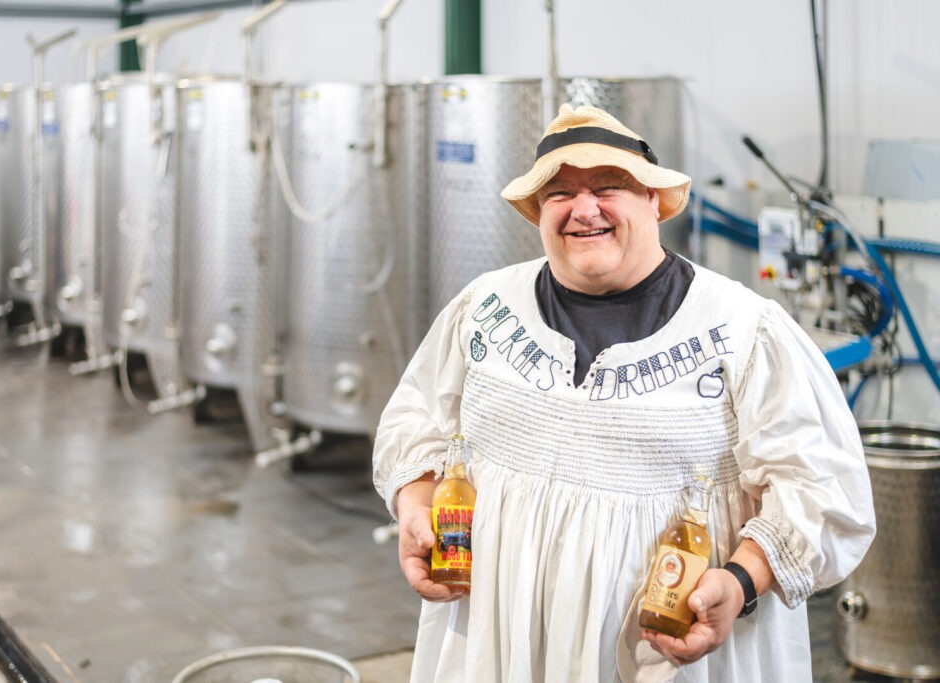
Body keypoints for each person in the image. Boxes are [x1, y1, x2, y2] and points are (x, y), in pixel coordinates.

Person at [372, 103, 875, 682]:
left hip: (672, 645)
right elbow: (416, 421)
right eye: (559, 194)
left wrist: (739, 582)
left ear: (655, 202)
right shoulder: (484, 308)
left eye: (609, 186)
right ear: (538, 212)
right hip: (497, 636)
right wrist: (416, 506)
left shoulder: (743, 330)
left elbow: (820, 488)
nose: (584, 209)